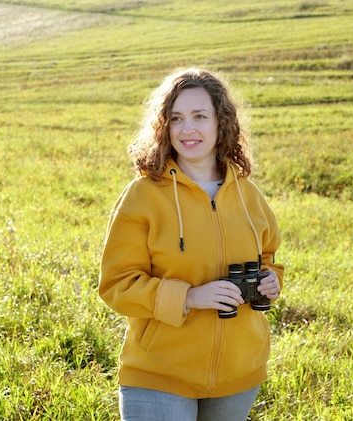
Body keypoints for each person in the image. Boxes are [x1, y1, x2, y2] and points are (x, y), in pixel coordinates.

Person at [98, 67, 284, 421]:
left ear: (221, 123)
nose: (188, 129)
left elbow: (269, 257)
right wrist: (187, 297)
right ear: (164, 127)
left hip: (238, 375)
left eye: (200, 116)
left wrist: (271, 279)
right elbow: (116, 285)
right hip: (158, 374)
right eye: (176, 118)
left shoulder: (248, 195)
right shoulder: (143, 195)